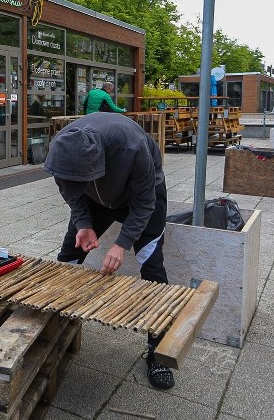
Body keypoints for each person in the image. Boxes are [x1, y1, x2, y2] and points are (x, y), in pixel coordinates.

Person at [43, 113, 174, 390]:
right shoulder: (61, 149)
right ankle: (55, 329)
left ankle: (158, 351)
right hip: (95, 200)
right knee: (67, 258)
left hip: (142, 197)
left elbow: (144, 204)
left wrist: (121, 244)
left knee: (152, 267)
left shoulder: (131, 146)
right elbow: (69, 191)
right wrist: (83, 223)